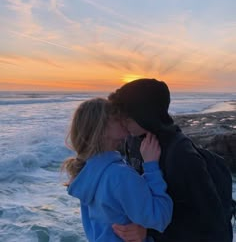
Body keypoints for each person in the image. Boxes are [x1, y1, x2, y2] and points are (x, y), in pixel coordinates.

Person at [108, 78, 233, 242]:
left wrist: (149, 232)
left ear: (145, 115)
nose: (123, 123)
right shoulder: (133, 140)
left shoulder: (182, 155)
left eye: (128, 118)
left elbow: (210, 223)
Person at [62, 98, 173, 242]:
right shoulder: (120, 175)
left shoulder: (86, 172)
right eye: (116, 118)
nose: (124, 121)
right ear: (101, 130)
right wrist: (151, 167)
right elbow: (159, 217)